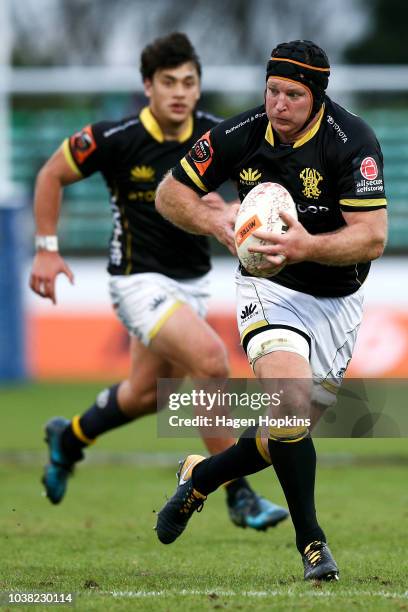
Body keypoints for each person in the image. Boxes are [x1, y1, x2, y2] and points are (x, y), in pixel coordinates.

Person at [29, 32, 288, 531]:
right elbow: (49, 177)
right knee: (210, 360)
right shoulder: (116, 136)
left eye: (189, 82)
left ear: (198, 88)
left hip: (192, 282)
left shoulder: (219, 135)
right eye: (168, 82)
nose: (179, 92)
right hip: (136, 280)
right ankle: (238, 492)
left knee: (147, 394)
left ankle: (70, 438)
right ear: (148, 86)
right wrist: (46, 251)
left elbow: (252, 194)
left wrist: (239, 211)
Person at [154, 39, 388, 580]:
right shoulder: (241, 133)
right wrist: (218, 223)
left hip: (338, 303)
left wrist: (306, 246)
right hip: (270, 290)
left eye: (293, 95)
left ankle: (202, 476)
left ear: (318, 98)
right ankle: (313, 545)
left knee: (288, 428)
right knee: (287, 404)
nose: (278, 104)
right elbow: (171, 193)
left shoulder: (351, 141)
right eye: (272, 91)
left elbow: (372, 238)